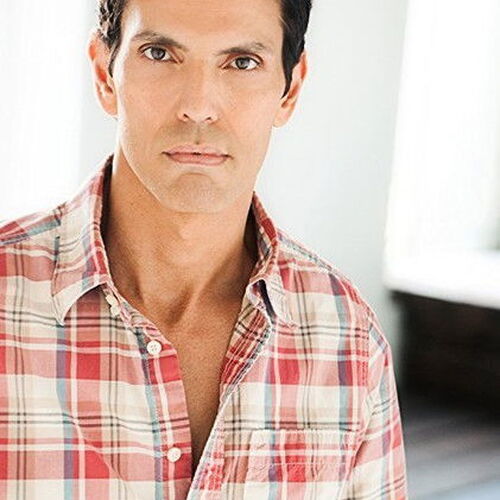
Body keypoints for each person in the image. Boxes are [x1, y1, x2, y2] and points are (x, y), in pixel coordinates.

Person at [0, 0, 407, 498]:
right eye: (159, 53)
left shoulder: (347, 337)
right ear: (105, 74)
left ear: (290, 89)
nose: (198, 105)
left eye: (242, 62)